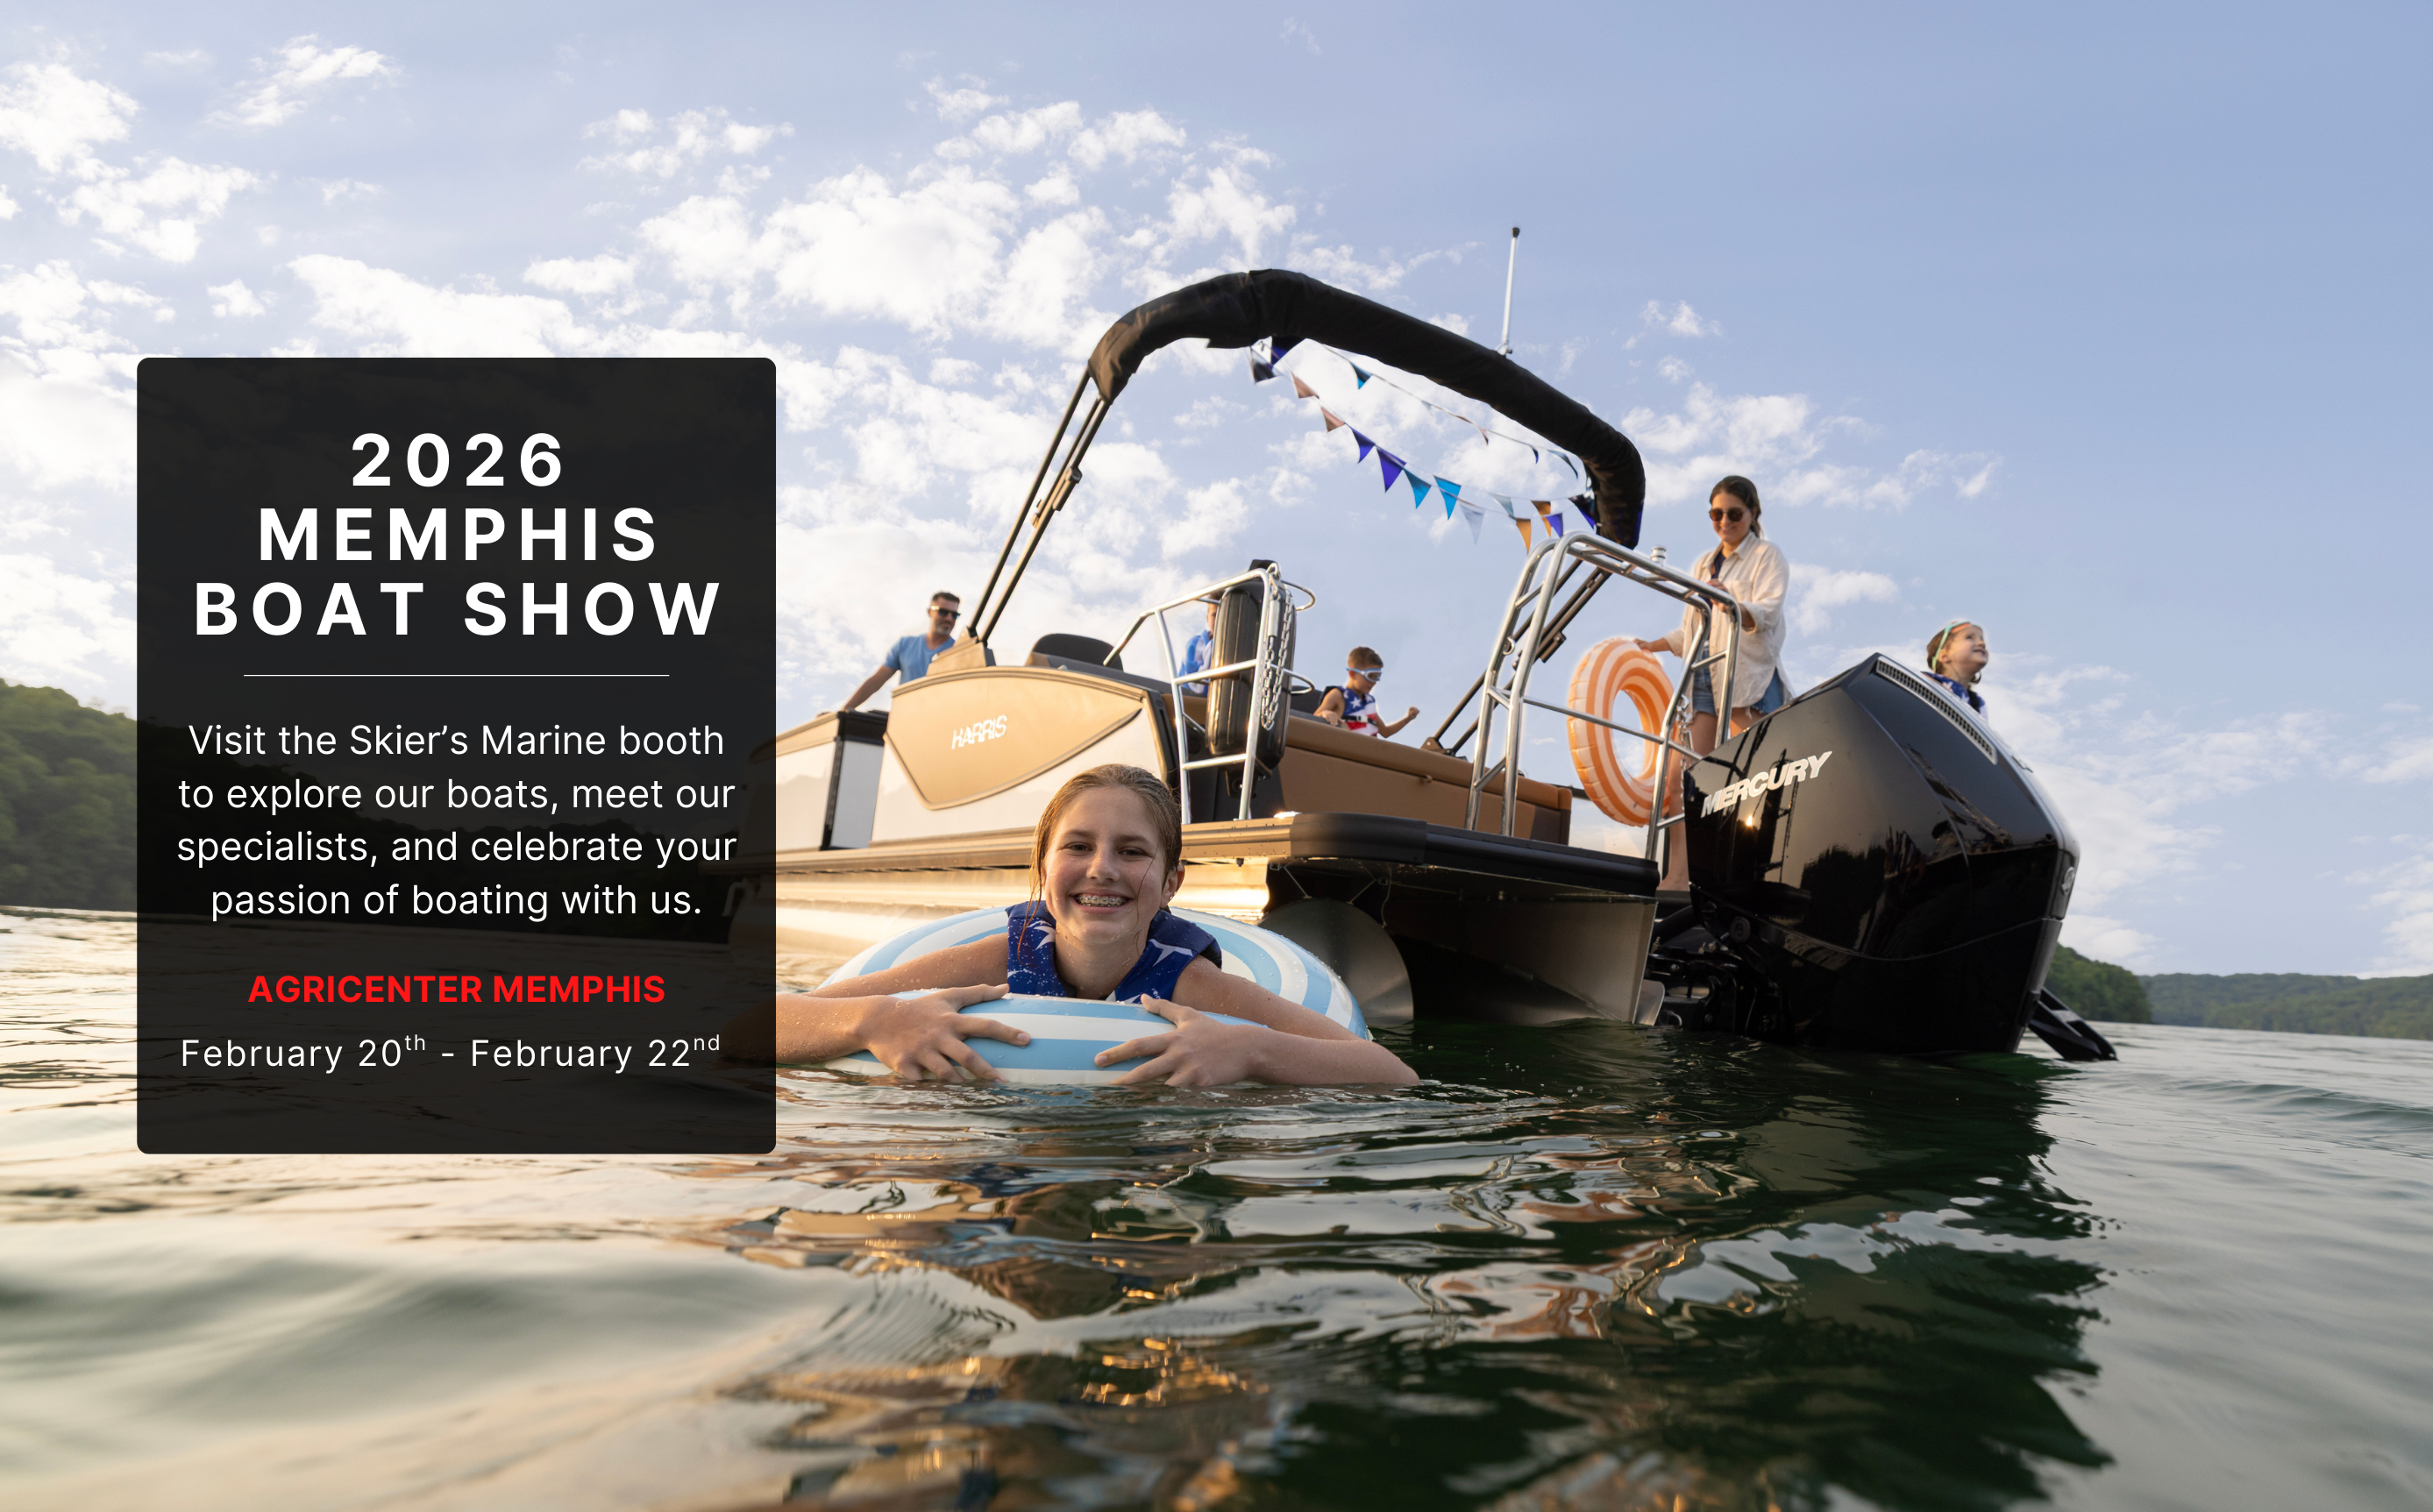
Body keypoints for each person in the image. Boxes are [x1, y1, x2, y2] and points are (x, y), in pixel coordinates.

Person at [752, 764, 1418, 1087]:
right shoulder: (992, 961)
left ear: (1170, 884)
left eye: (1131, 852)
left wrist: (1249, 1049)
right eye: (1076, 847)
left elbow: (1389, 1072)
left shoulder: (1192, 985)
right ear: (1042, 870)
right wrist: (874, 1020)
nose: (1101, 870)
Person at [1633, 476, 1789, 754]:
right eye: (1717, 514)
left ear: (1753, 513)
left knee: (1759, 766)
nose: (1725, 521)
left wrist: (1731, 603)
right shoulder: (1703, 565)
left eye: (1735, 514)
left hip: (1744, 673)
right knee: (1686, 778)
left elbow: (1769, 613)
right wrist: (1650, 646)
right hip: (1702, 672)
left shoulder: (1767, 555)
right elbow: (1691, 630)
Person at [841, 591, 963, 711]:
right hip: (902, 720)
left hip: (939, 720)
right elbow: (875, 682)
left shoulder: (961, 651)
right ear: (930, 612)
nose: (949, 618)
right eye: (943, 612)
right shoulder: (905, 644)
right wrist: (843, 711)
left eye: (954, 615)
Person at [1314, 648, 1418, 737]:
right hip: (1345, 753)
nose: (1374, 682)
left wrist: (1408, 718)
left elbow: (1385, 732)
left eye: (1377, 677)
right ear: (1352, 674)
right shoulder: (1337, 695)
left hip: (1367, 754)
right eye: (1370, 676)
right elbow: (1311, 721)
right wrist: (1324, 713)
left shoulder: (1369, 703)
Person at [1924, 620, 1988, 713]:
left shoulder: (1978, 705)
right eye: (1969, 637)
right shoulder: (1926, 683)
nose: (1982, 643)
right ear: (1944, 656)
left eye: (1981, 639)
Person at [1176, 596, 1219, 695]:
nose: (1219, 618)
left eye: (1225, 614)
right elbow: (1197, 687)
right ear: (1207, 618)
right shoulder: (1194, 645)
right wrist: (1217, 642)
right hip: (1191, 701)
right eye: (1215, 615)